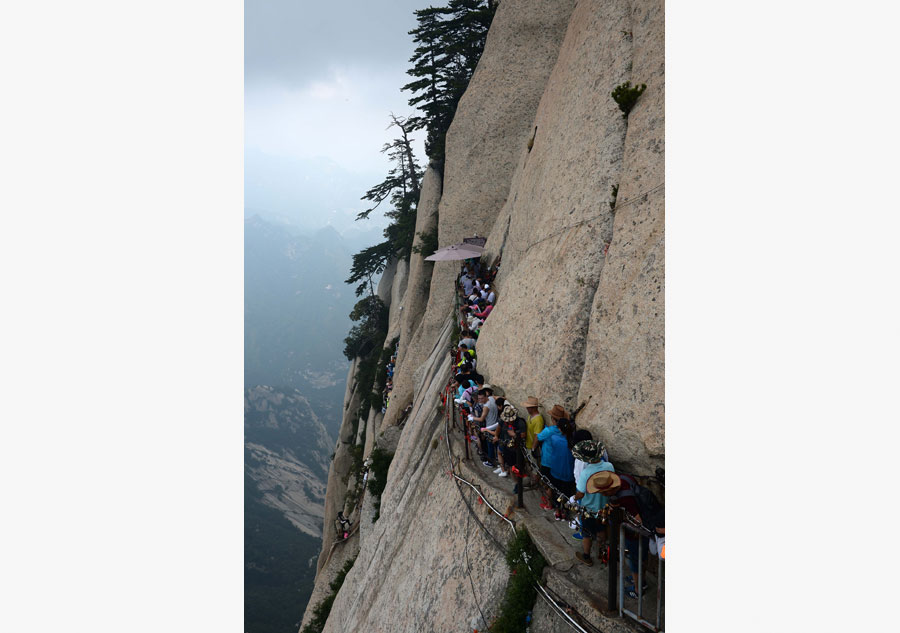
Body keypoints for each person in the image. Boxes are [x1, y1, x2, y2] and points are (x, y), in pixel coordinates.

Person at [588, 471, 665, 597]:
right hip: (648, 523)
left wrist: (623, 524)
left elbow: (637, 521)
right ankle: (639, 580)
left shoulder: (624, 499)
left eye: (602, 492)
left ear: (608, 491)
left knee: (635, 561)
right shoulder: (624, 478)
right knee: (639, 560)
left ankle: (638, 589)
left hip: (637, 534)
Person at [570, 440, 615, 566]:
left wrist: (574, 498)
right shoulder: (609, 466)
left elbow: (581, 493)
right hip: (604, 507)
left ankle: (586, 556)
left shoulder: (586, 473)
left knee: (587, 533)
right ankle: (603, 554)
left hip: (589, 508)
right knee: (601, 530)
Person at [536, 405, 563, 510]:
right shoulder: (563, 431)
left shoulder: (549, 430)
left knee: (548, 484)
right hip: (557, 462)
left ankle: (549, 504)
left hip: (547, 461)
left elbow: (538, 437)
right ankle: (553, 502)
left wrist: (534, 449)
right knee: (554, 484)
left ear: (553, 419)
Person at [548, 417, 576, 520]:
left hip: (556, 471)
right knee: (567, 494)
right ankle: (565, 512)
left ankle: (557, 511)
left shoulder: (554, 438)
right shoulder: (572, 442)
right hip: (568, 473)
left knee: (556, 492)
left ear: (559, 429)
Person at [523, 396, 544, 488]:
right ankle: (532, 481)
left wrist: (533, 448)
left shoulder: (538, 420)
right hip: (528, 445)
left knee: (535, 466)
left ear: (533, 408)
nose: (527, 408)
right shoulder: (530, 416)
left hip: (532, 446)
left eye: (528, 407)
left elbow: (537, 435)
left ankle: (535, 484)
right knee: (530, 465)